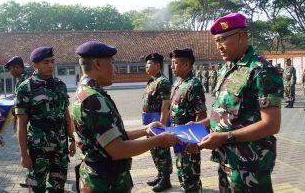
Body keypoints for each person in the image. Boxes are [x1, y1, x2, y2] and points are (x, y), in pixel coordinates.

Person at [72, 41, 180, 193]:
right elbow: (118, 149)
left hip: (103, 178)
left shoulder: (87, 93)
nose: (114, 69)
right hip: (105, 182)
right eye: (112, 63)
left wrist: (146, 130)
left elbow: (113, 136)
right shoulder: (92, 99)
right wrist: (159, 140)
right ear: (97, 63)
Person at [198, 12, 283, 192]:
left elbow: (271, 124)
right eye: (216, 41)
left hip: (250, 164)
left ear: (241, 37)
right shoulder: (227, 69)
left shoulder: (261, 70)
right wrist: (199, 126)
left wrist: (223, 137)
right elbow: (223, 112)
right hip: (226, 159)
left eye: (222, 39)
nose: (219, 46)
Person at [15, 47, 76, 193]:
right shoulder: (25, 88)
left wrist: (72, 139)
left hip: (60, 145)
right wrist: (24, 154)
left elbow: (66, 113)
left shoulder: (60, 85)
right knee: (37, 187)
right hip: (38, 146)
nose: (50, 65)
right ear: (35, 65)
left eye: (52, 61)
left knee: (58, 187)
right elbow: (22, 124)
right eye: (45, 62)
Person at [170, 48, 207, 192]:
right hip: (178, 136)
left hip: (188, 138)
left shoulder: (193, 84)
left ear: (186, 65)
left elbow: (201, 114)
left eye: (175, 63)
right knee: (182, 170)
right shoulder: (178, 82)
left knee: (191, 174)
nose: (172, 66)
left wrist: (195, 142)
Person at [142, 53, 173, 192]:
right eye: (146, 64)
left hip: (158, 121)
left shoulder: (163, 82)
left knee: (162, 150)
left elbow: (166, 105)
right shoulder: (151, 81)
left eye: (149, 64)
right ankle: (160, 175)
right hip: (150, 120)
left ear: (158, 66)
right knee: (154, 149)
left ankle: (166, 179)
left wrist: (162, 124)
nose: (146, 66)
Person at [4, 56, 32, 188]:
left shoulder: (22, 81)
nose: (10, 72)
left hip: (29, 121)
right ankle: (31, 177)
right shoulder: (31, 75)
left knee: (31, 149)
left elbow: (20, 103)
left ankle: (32, 178)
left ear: (17, 67)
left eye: (11, 69)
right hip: (32, 118)